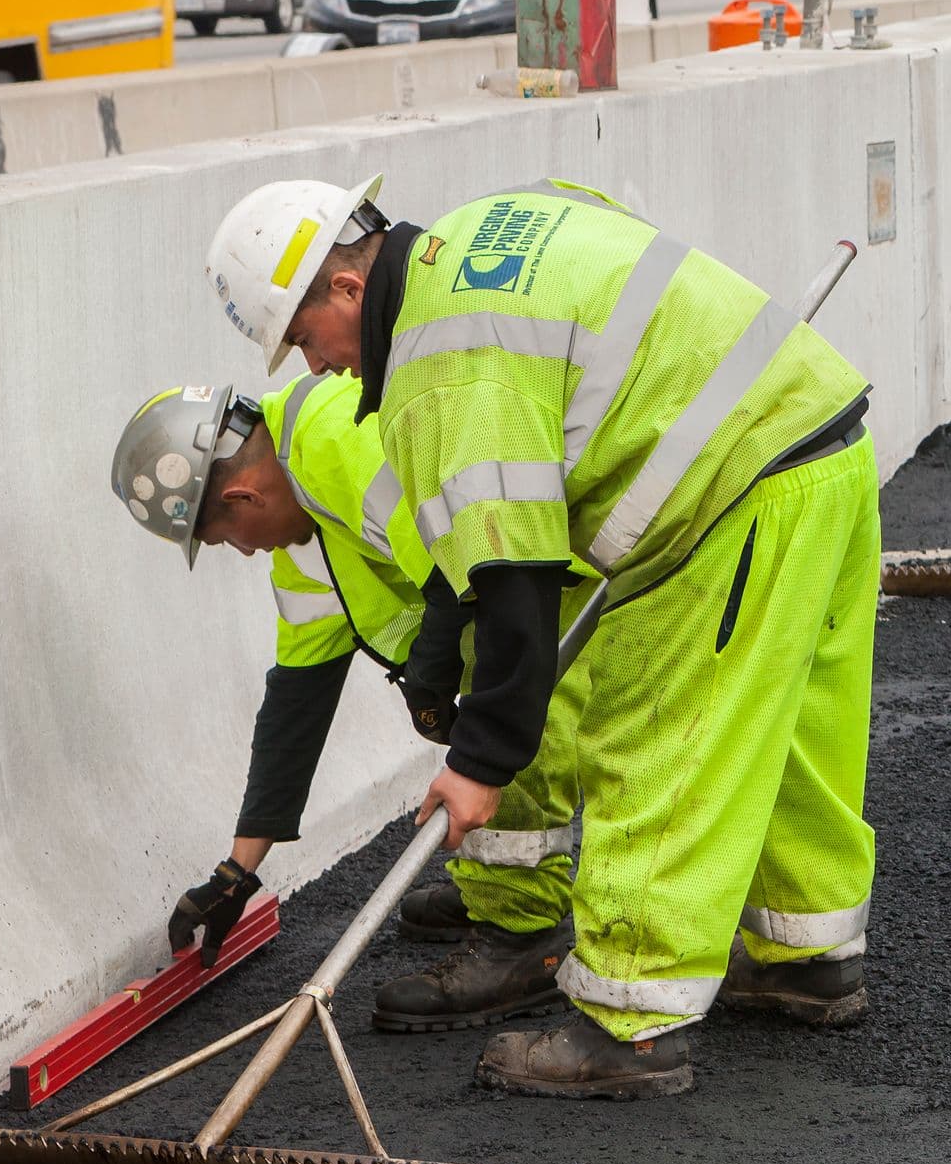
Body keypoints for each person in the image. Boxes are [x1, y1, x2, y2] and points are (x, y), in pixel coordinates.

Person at [205, 173, 879, 1099]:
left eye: (304, 340)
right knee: (786, 726)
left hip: (725, 492)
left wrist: (480, 764)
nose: (317, 366)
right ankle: (807, 957)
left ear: (348, 290)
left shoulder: (441, 370)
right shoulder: (481, 232)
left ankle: (628, 1028)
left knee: (658, 736)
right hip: (817, 434)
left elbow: (513, 584)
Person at [110, 363, 585, 1033]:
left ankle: (518, 938)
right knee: (479, 679)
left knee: (493, 675)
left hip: (543, 586)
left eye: (224, 539)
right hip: (501, 597)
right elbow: (294, 710)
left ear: (244, 497)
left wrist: (432, 664)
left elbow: (466, 553)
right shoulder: (304, 542)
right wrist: (236, 874)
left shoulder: (338, 438)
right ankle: (500, 894)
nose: (243, 553)